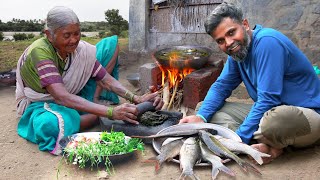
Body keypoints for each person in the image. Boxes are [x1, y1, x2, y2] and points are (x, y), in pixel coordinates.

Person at [179, 2, 320, 164]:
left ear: (244, 24)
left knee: (275, 121)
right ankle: (267, 145)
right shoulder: (237, 54)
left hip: (307, 116)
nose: (229, 42)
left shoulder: (267, 42)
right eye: (221, 40)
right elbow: (221, 87)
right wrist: (201, 117)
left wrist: (238, 139)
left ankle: (253, 143)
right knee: (205, 109)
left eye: (231, 32)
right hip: (270, 112)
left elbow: (268, 99)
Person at [15, 6, 163, 155]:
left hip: (72, 95)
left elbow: (104, 78)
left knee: (110, 45)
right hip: (44, 103)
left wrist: (135, 98)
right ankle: (96, 115)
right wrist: (110, 112)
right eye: (66, 35)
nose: (73, 40)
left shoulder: (79, 50)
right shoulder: (40, 51)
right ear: (49, 34)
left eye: (77, 33)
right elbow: (61, 97)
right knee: (51, 125)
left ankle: (94, 111)